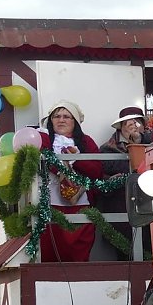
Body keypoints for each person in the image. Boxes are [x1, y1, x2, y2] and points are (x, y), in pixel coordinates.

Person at [39, 100, 104, 262]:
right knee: (51, 250)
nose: (61, 120)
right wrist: (62, 170)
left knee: (78, 250)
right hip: (50, 204)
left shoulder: (86, 142)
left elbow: (97, 172)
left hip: (80, 204)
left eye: (67, 116)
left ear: (75, 121)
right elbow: (43, 156)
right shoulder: (44, 138)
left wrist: (76, 159)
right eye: (56, 116)